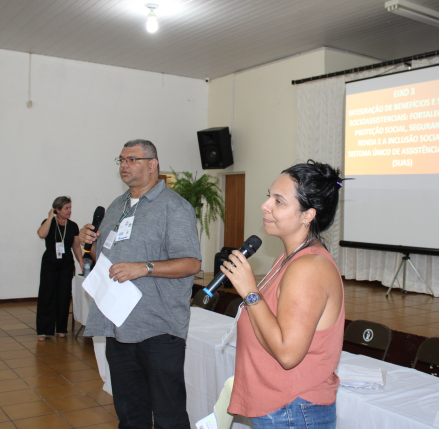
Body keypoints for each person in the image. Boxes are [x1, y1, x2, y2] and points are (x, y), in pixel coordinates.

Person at [79, 139, 201, 429]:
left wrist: (144, 268)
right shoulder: (116, 206)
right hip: (118, 326)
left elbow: (191, 263)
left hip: (158, 329)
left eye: (132, 159)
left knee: (169, 416)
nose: (125, 165)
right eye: (121, 160)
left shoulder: (174, 207)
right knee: (130, 415)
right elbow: (104, 258)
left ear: (152, 164)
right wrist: (86, 243)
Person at [226, 160, 345, 429]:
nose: (265, 205)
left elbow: (288, 354)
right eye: (269, 196)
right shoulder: (287, 259)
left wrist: (250, 292)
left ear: (307, 215)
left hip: (293, 411)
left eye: (279, 201)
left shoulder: (308, 268)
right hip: (281, 407)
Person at [36, 196, 84, 341]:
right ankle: (44, 330)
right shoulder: (48, 222)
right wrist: (50, 217)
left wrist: (81, 262)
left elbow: (76, 246)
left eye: (70, 208)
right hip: (50, 261)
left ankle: (61, 328)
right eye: (66, 208)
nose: (69, 211)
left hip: (66, 263)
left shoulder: (73, 226)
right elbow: (41, 234)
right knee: (47, 295)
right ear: (57, 209)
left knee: (64, 295)